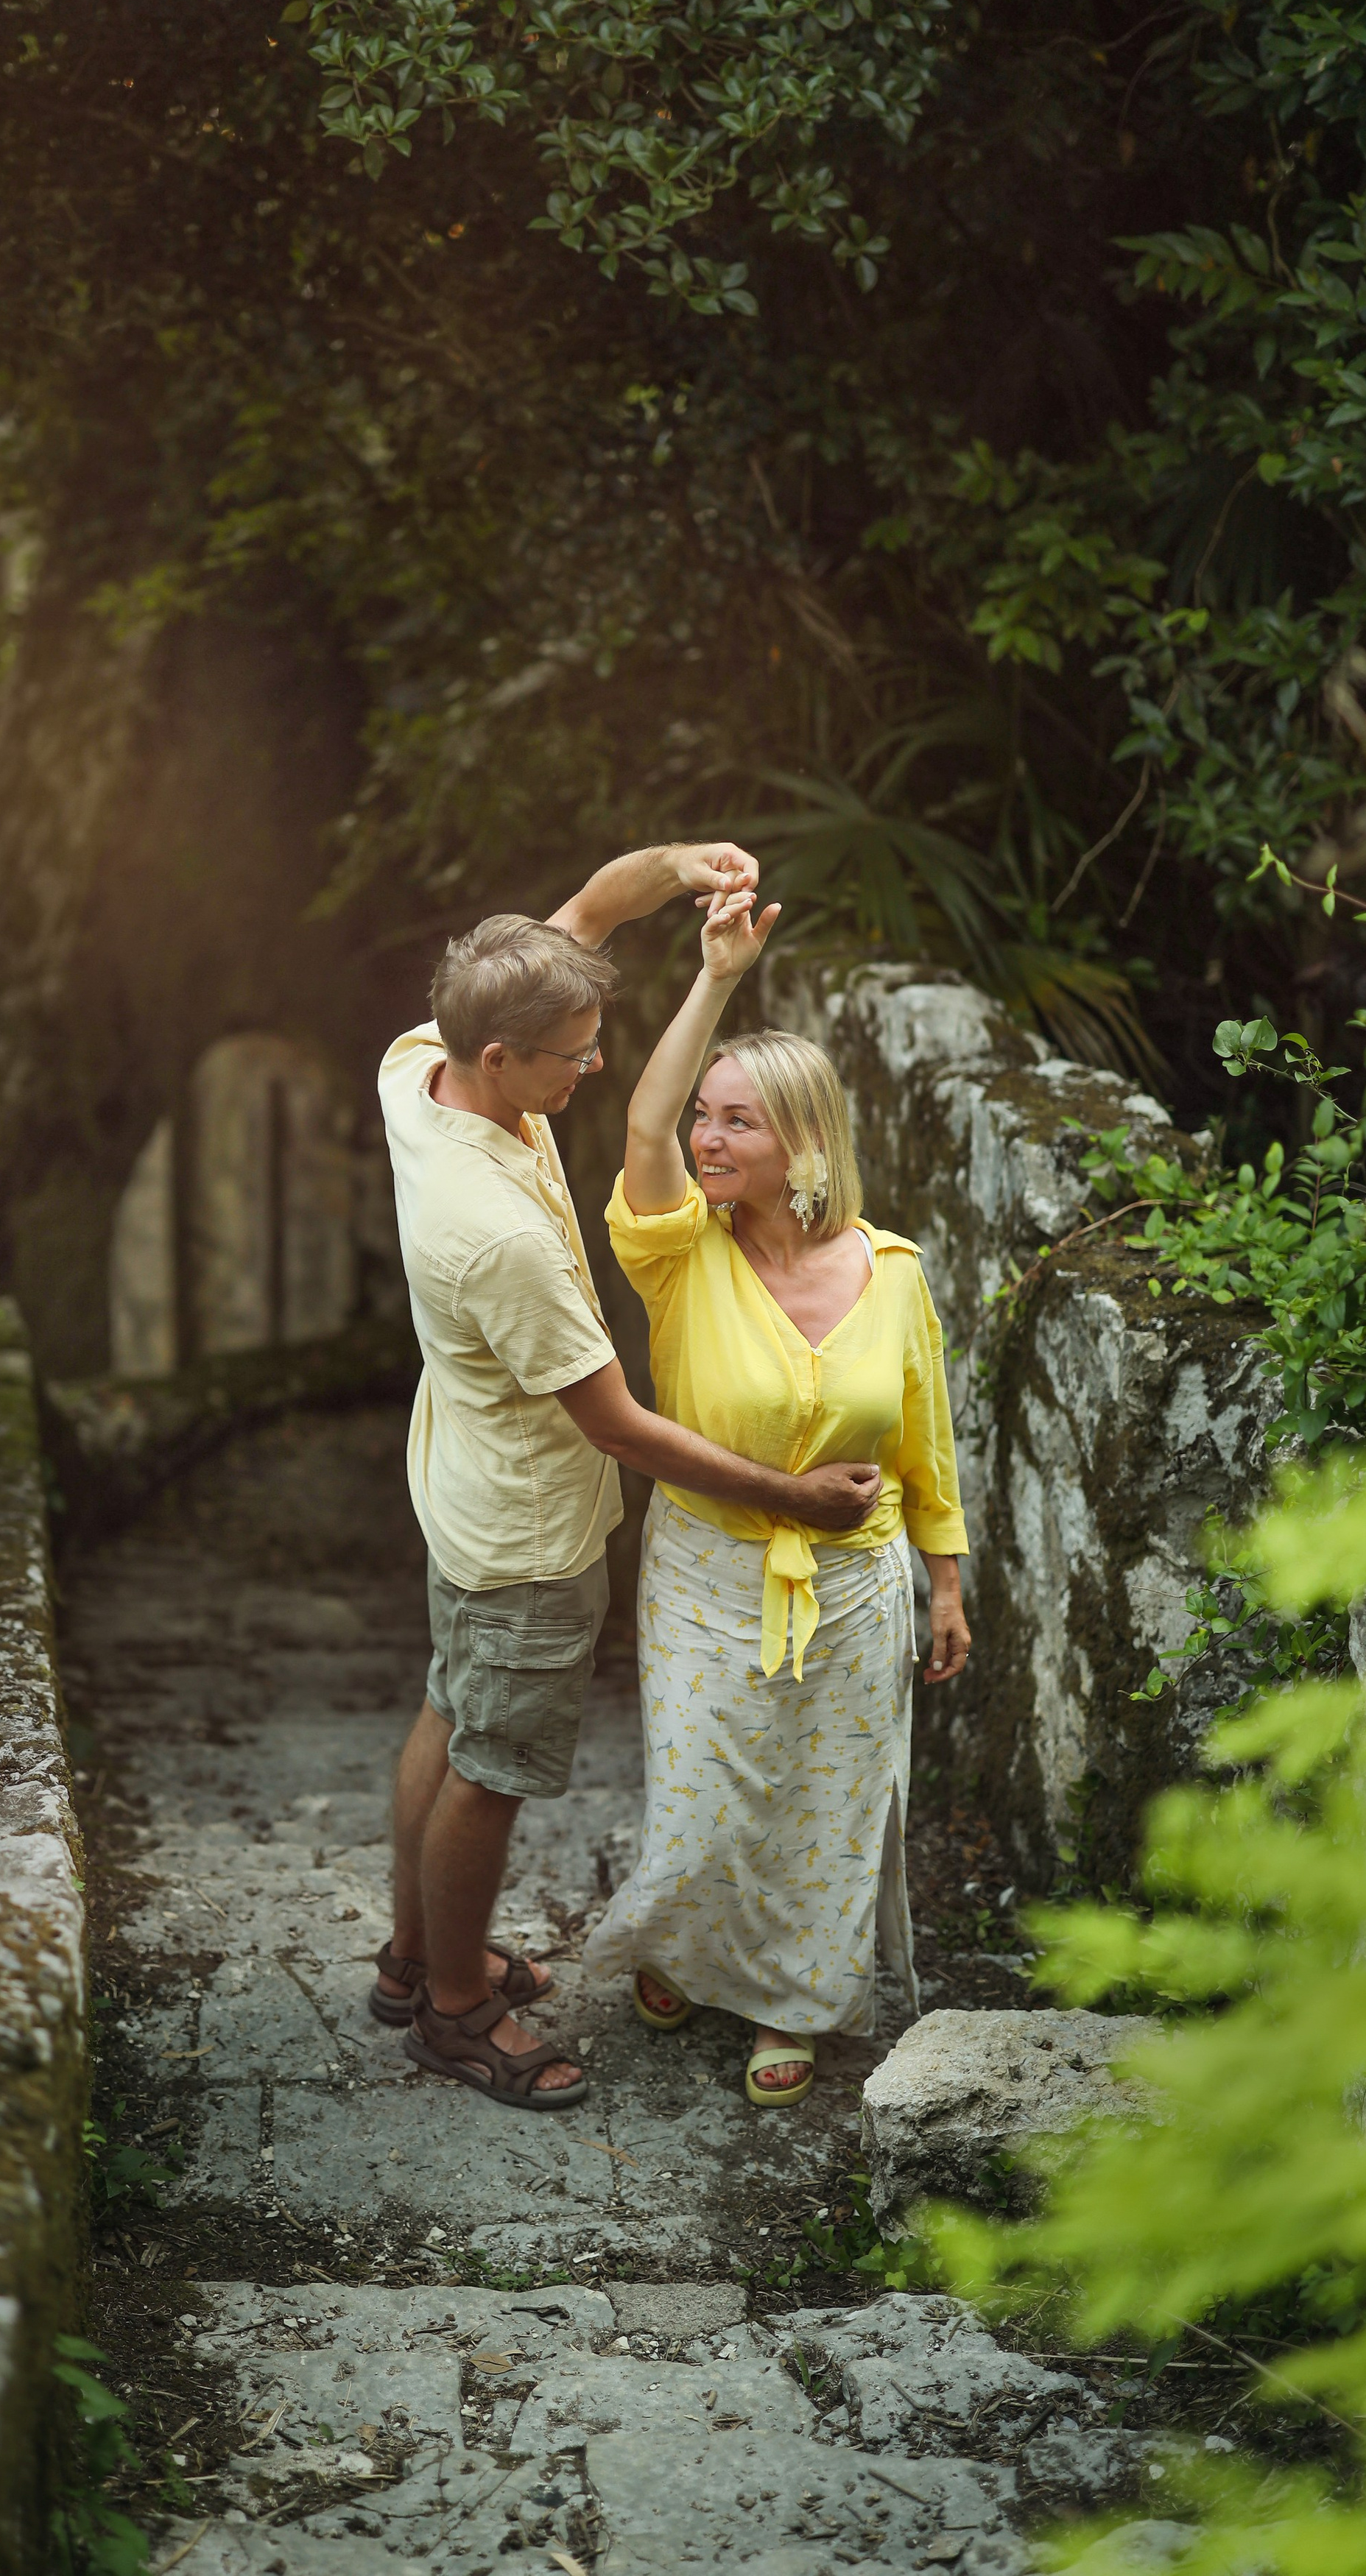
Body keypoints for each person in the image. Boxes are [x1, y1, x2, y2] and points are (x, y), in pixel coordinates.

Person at [374, 844, 887, 2111]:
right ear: (501, 1058)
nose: (592, 1070)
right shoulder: (496, 1234)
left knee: (450, 1704)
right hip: (528, 1533)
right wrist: (793, 1495)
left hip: (458, 1484)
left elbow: (590, 913)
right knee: (490, 1768)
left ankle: (414, 1955)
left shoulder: (420, 1062)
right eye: (572, 1057)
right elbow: (619, 1427)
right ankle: (456, 2010)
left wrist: (676, 866)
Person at [582, 883, 971, 2104]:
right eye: (706, 1118)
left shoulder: (893, 1272)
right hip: (705, 1566)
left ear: (802, 1141)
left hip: (857, 1585)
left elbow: (925, 1439)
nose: (707, 1141)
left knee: (829, 1805)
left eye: (737, 1123)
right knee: (704, 1802)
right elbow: (644, 1125)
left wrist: (945, 1583)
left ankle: (790, 2004)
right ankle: (688, 1946)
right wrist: (716, 978)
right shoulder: (677, 1252)